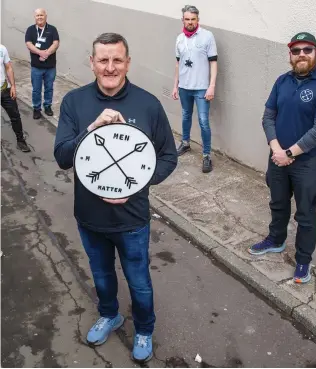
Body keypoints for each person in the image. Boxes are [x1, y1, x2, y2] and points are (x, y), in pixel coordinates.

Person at [54, 33, 177, 363]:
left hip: (132, 219)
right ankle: (110, 315)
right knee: (102, 275)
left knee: (138, 282)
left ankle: (144, 329)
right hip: (90, 217)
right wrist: (91, 129)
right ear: (92, 63)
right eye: (103, 60)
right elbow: (63, 157)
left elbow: (168, 156)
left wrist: (136, 184)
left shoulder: (148, 104)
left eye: (117, 60)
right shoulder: (75, 103)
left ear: (128, 63)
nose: (110, 67)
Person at [248, 32, 316, 284]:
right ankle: (276, 240)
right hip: (278, 158)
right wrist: (277, 150)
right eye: (296, 50)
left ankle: (303, 260)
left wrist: (289, 153)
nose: (301, 54)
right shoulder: (282, 81)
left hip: (307, 163)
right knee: (278, 203)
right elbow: (268, 117)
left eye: (307, 50)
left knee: (306, 213)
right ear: (290, 55)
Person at [171, 5, 218, 173]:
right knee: (185, 115)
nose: (190, 22)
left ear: (198, 20)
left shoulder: (207, 36)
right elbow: (178, 64)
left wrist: (211, 86)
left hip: (201, 88)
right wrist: (175, 85)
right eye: (187, 19)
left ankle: (206, 155)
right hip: (184, 86)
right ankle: (185, 143)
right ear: (182, 20)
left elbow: (213, 62)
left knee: (204, 121)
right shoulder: (179, 39)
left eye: (193, 19)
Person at [25, 8, 59, 119]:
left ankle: (47, 106)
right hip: (36, 67)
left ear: (45, 16)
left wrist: (46, 53)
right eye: (37, 15)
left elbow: (56, 43)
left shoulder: (53, 29)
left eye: (41, 15)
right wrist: (40, 52)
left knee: (49, 88)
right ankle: (36, 108)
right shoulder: (30, 30)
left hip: (50, 67)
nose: (39, 17)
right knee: (36, 90)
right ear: (34, 17)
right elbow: (28, 44)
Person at [0, 44, 30, 152]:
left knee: (15, 116)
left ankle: (21, 141)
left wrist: (13, 86)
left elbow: (8, 67)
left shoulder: (2, 48)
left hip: (5, 89)